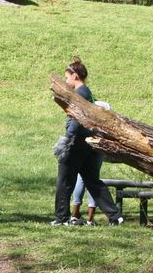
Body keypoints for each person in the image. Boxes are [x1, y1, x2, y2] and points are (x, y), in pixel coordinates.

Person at [52, 58, 123, 226]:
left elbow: (78, 118)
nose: (66, 81)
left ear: (75, 76)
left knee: (64, 179)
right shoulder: (88, 93)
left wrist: (68, 138)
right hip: (89, 142)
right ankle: (115, 216)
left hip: (78, 142)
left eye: (67, 77)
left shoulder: (80, 93)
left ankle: (62, 218)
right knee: (92, 180)